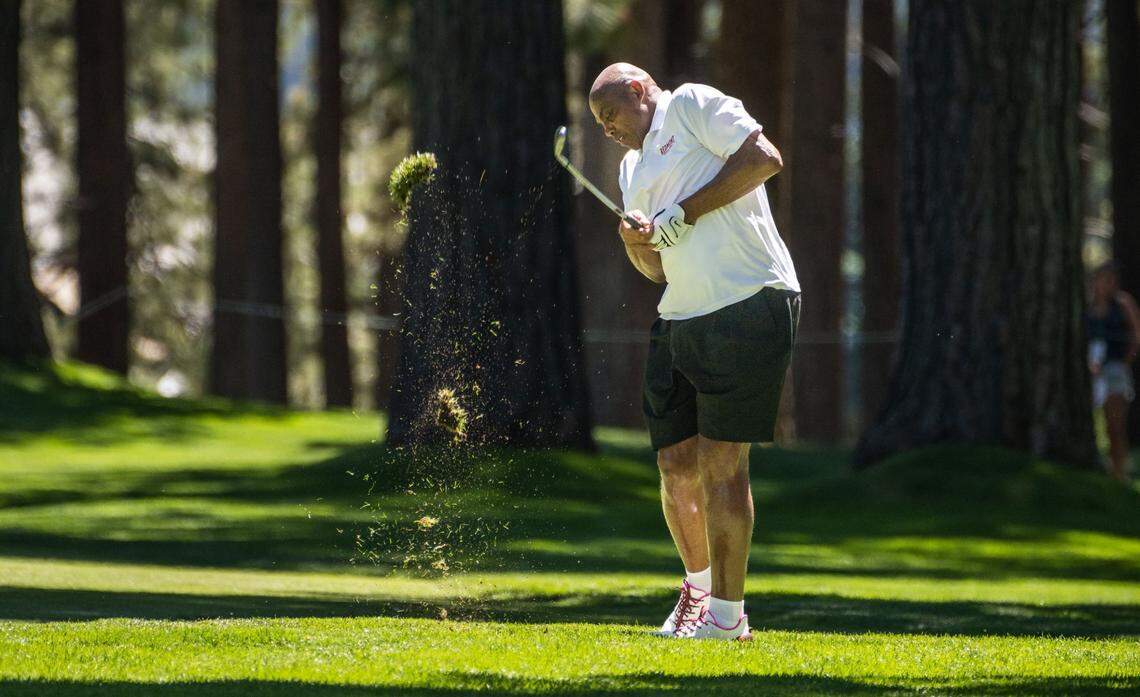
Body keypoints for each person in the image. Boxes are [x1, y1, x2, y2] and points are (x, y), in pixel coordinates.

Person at [588, 63, 800, 640]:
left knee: (721, 463)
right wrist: (637, 242)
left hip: (749, 298)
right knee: (675, 464)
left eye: (610, 115)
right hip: (680, 313)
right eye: (600, 124)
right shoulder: (630, 168)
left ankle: (728, 619)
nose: (607, 130)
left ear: (638, 90)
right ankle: (698, 594)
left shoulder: (690, 105)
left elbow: (765, 159)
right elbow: (656, 269)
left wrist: (684, 212)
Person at [1086, 262, 1140, 484]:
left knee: (1115, 424)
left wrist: (1125, 361)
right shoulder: (1088, 307)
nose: (1107, 284)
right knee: (1097, 425)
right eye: (1102, 279)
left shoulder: (1122, 304)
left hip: (1115, 369)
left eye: (1111, 279)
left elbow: (1136, 336)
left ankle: (1120, 473)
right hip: (1093, 371)